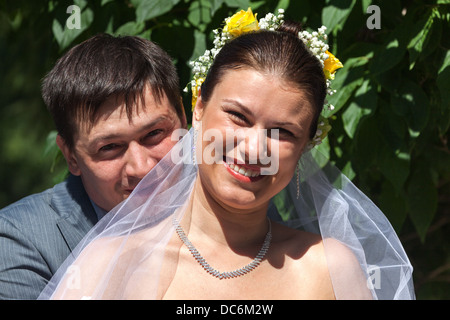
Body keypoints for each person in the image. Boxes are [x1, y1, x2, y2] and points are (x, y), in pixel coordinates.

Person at [39, 9, 415, 300]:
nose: (253, 148)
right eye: (238, 117)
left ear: (306, 146)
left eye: (283, 132)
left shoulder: (330, 268)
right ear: (198, 107)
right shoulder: (112, 263)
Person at [0, 33, 187, 299]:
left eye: (154, 134)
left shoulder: (229, 205)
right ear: (71, 157)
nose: (142, 168)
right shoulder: (21, 241)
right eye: (109, 147)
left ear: (183, 117)